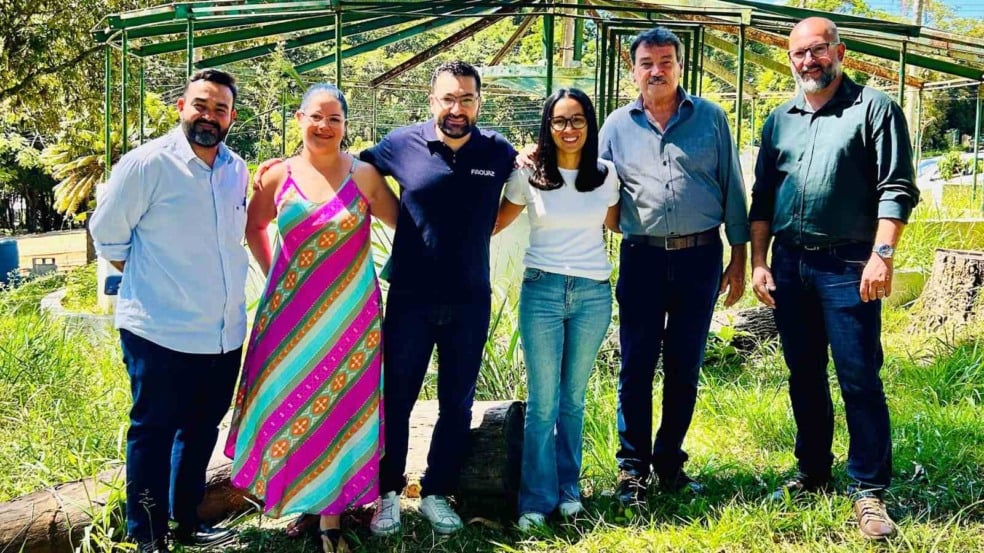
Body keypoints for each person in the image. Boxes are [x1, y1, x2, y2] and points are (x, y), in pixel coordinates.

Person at [748, 17, 919, 540]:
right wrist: (759, 261)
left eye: (818, 51)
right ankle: (813, 471)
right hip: (791, 264)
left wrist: (882, 255)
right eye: (799, 54)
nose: (808, 61)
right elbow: (763, 197)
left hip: (849, 265)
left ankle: (868, 490)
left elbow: (897, 187)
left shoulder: (875, 109)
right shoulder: (781, 120)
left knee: (859, 377)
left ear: (838, 51)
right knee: (803, 374)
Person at [223, 83, 398, 553]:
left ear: (345, 126)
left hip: (350, 318)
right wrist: (274, 273)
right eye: (315, 117)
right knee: (287, 407)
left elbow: (408, 223)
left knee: (340, 411)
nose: (324, 126)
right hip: (287, 317)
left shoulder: (364, 176)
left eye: (334, 119)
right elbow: (254, 226)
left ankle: (330, 521)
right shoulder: (277, 176)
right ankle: (298, 500)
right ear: (299, 119)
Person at [89, 69, 246, 553]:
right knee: (153, 434)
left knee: (201, 431)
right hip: (159, 329)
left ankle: (187, 520)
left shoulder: (236, 169)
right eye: (201, 105)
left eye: (220, 109)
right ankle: (148, 535)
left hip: (222, 333)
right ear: (181, 107)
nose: (209, 116)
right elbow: (108, 235)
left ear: (231, 118)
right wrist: (155, 279)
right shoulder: (147, 164)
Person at [359, 61, 517, 536]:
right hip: (411, 297)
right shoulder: (401, 144)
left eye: (466, 99)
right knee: (398, 398)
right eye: (448, 98)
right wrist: (397, 219)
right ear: (432, 101)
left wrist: (489, 227)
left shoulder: (498, 150)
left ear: (478, 103)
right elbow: (361, 167)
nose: (457, 108)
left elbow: (521, 190)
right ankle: (387, 492)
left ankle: (435, 491)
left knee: (457, 402)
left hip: (470, 299)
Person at [599, 26, 750, 506]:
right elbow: (596, 186)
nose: (656, 70)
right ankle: (631, 469)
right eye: (647, 63)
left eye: (666, 61)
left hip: (700, 258)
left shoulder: (710, 119)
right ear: (634, 68)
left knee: (684, 366)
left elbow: (732, 187)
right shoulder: (616, 126)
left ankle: (669, 463)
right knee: (636, 366)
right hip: (641, 257)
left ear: (680, 66)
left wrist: (740, 257)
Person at [494, 88, 619, 532]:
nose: (570, 129)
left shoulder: (606, 175)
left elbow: (621, 224)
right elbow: (493, 224)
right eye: (560, 121)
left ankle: (569, 492)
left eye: (578, 120)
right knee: (543, 402)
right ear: (547, 127)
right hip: (542, 291)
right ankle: (535, 499)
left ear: (591, 123)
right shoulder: (528, 176)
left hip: (592, 294)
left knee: (573, 400)